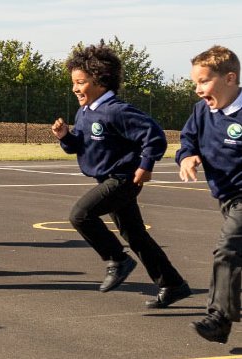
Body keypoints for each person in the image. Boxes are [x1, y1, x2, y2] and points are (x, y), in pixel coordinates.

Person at [51, 44, 189, 305]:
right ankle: (172, 284)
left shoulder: (117, 110)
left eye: (80, 83)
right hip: (108, 179)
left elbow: (155, 136)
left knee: (80, 215)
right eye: (73, 83)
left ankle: (117, 259)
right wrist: (65, 137)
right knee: (135, 235)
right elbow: (78, 146)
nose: (75, 89)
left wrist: (146, 165)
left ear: (100, 81)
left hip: (124, 179)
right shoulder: (85, 112)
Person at [178, 45, 242, 343]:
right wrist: (187, 156)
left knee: (227, 249)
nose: (198, 89)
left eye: (203, 81)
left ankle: (219, 318)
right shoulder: (202, 111)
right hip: (227, 198)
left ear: (230, 79)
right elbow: (187, 139)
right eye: (195, 83)